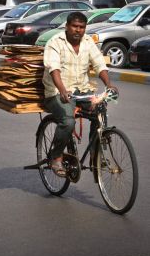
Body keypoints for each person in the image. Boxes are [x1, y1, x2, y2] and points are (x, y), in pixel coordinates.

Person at [43, 11, 117, 177]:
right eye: (74, 26)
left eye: (81, 27)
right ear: (67, 27)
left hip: (82, 90)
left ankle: (95, 155)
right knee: (68, 122)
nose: (78, 30)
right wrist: (62, 90)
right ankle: (56, 157)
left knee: (100, 112)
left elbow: (99, 64)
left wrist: (109, 85)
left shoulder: (88, 42)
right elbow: (54, 69)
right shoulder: (55, 42)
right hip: (57, 92)